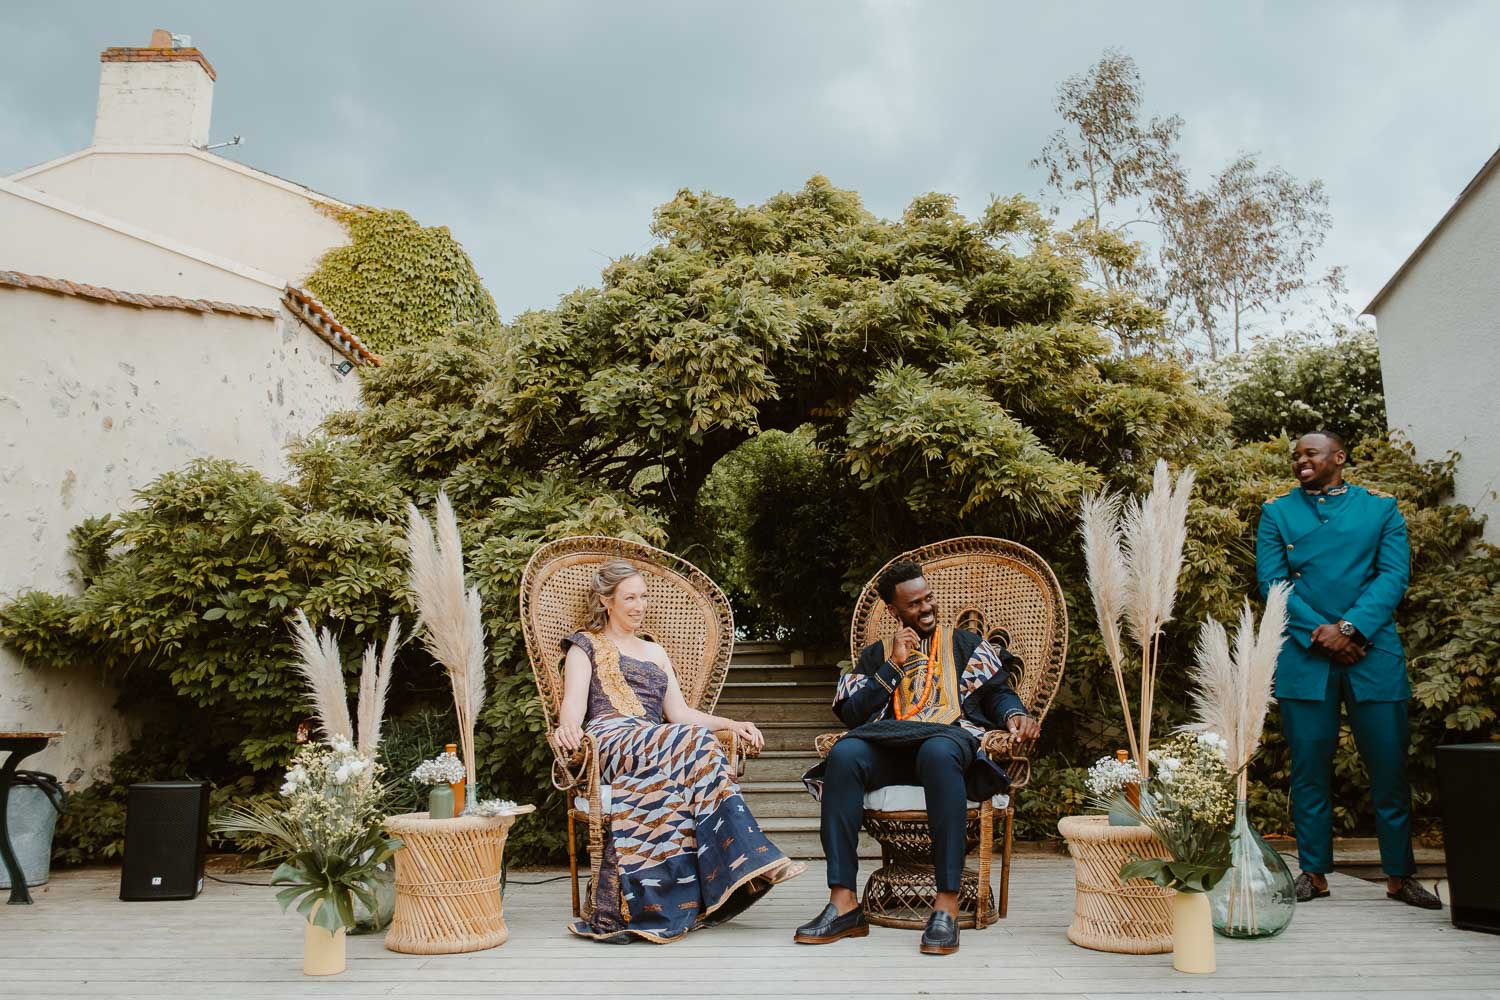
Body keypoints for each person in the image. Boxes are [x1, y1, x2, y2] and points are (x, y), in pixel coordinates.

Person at [795, 560, 1041, 955]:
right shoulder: (878, 655)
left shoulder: (966, 646)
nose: (926, 608)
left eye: (928, 598)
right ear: (894, 611)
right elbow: (852, 714)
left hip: (947, 743)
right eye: (914, 604)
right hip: (890, 748)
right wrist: (893, 665)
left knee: (938, 751)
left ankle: (945, 906)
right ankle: (843, 904)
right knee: (845, 752)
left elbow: (997, 693)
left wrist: (1015, 714)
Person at [554, 559, 804, 942]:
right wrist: (566, 726)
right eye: (630, 598)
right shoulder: (584, 645)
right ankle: (749, 858)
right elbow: (573, 704)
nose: (640, 606)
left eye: (643, 597)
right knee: (694, 741)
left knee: (692, 745)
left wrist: (730, 724)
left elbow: (680, 714)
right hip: (611, 739)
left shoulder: (655, 652)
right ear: (607, 600)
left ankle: (710, 879)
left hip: (657, 742)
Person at [1256, 431, 1440, 910]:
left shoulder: (1380, 508)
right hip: (1305, 655)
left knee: (1389, 769)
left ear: (1339, 458)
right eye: (1296, 455)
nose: (1300, 460)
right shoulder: (1277, 512)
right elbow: (1272, 583)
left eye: (1310, 453)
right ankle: (1313, 873)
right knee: (1309, 771)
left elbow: (1394, 575)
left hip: (1373, 653)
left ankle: (1399, 876)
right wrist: (1323, 633)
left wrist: (1352, 629)